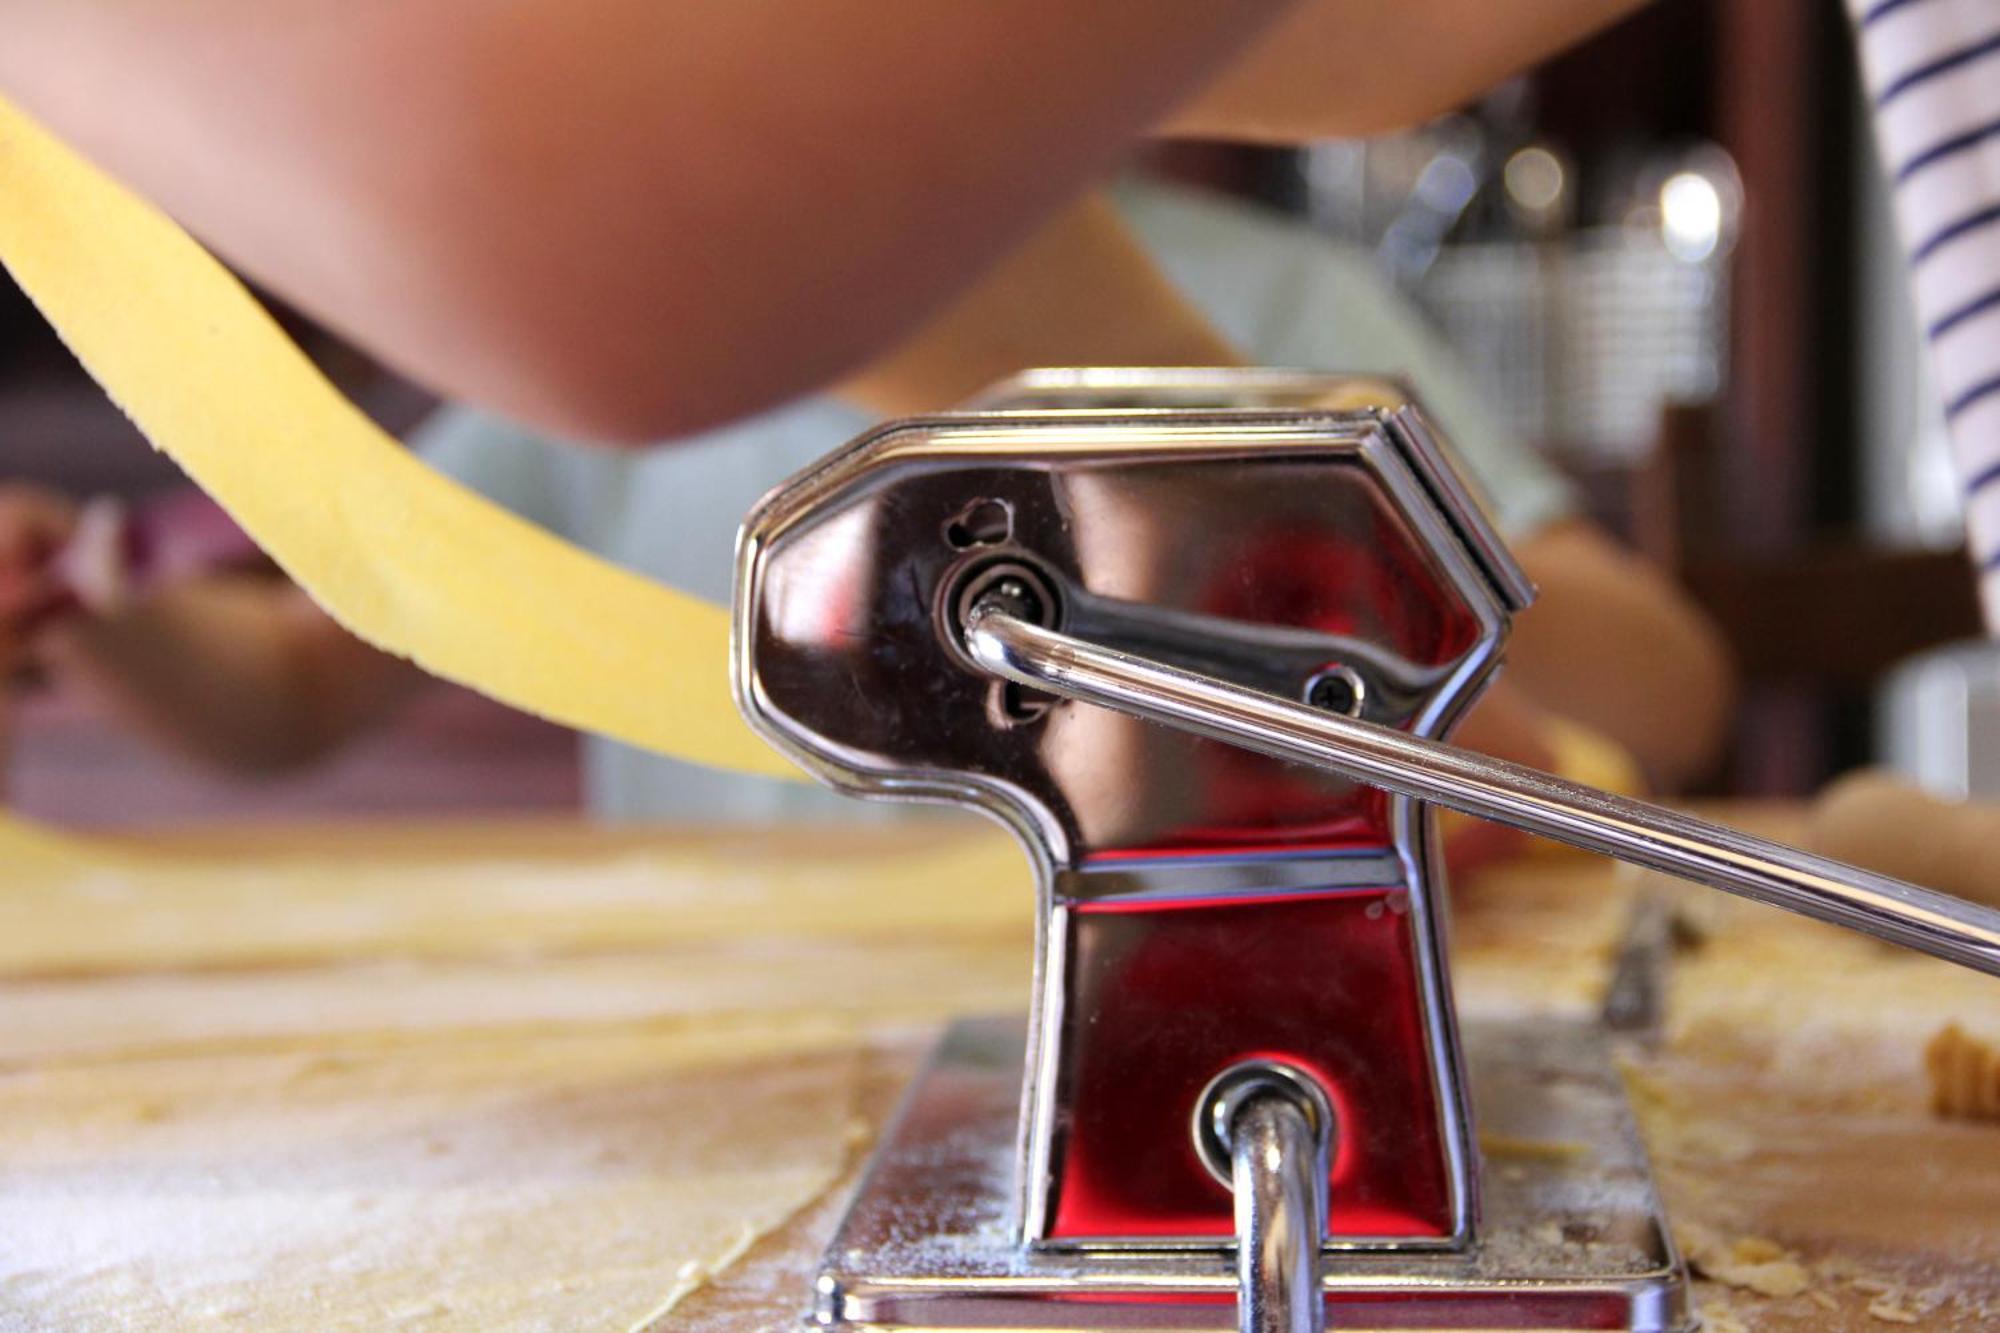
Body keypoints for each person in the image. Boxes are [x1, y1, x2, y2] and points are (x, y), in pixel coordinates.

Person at [0, 177, 1732, 825]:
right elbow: (303, 686)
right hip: (722, 1071)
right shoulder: (632, 341)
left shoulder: (1269, 309)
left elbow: (1664, 691)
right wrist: (87, 607)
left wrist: (1244, 430)